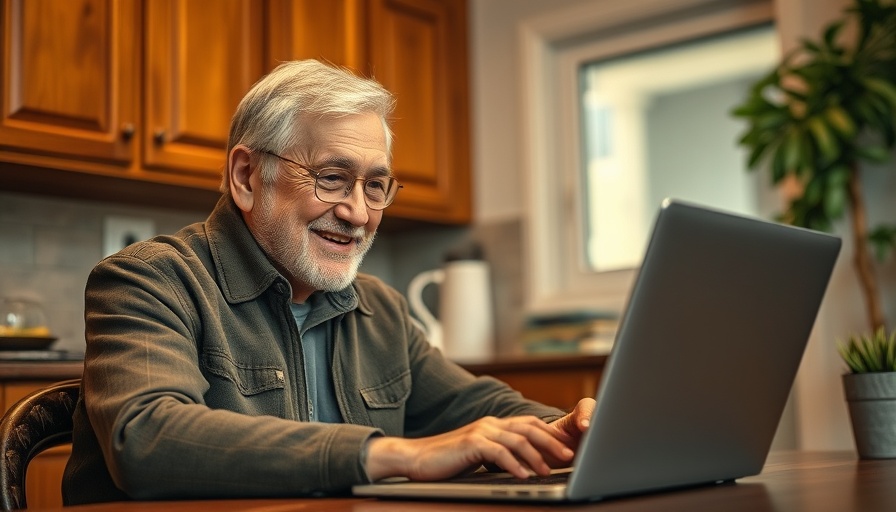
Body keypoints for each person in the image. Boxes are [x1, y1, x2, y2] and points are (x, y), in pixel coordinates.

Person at [62, 59, 595, 505]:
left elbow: (482, 409)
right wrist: (398, 454)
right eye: (332, 178)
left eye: (377, 185)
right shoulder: (150, 279)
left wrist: (569, 429)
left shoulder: (378, 308)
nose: (359, 213)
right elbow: (147, 438)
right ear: (247, 177)